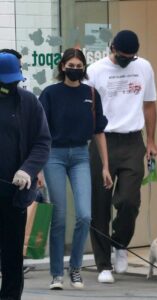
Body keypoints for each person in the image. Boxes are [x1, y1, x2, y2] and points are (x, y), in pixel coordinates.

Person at [86, 29, 157, 283]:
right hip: (102, 139)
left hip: (132, 140)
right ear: (112, 48)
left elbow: (149, 104)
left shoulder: (144, 67)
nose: (128, 60)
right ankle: (103, 264)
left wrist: (150, 140)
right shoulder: (95, 71)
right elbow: (90, 108)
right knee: (100, 204)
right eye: (124, 56)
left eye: (132, 56)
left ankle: (119, 244)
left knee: (129, 201)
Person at [39, 48, 113, 290]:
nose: (75, 69)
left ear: (84, 68)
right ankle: (57, 274)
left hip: (81, 154)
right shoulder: (50, 94)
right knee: (59, 217)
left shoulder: (91, 93)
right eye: (71, 64)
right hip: (54, 156)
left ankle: (76, 269)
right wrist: (37, 169)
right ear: (62, 67)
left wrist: (105, 166)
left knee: (84, 215)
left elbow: (99, 131)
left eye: (79, 65)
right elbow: (39, 133)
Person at [0, 52, 51, 300]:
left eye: (12, 82)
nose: (8, 87)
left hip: (14, 194)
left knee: (11, 256)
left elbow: (42, 142)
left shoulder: (29, 102)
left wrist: (28, 169)